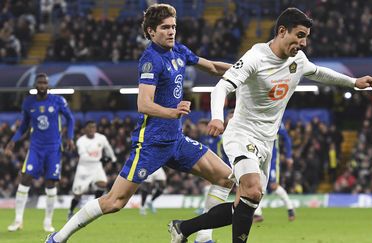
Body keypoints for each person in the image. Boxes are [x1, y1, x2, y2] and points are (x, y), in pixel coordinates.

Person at [169, 7, 372, 243]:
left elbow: (319, 72)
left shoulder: (298, 61)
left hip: (267, 141)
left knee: (247, 203)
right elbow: (222, 86)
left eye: (306, 37)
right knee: (251, 190)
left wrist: (354, 82)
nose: (303, 43)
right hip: (242, 134)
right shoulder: (255, 57)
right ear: (282, 31)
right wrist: (217, 117)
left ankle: (183, 228)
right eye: (299, 35)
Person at [45, 3, 234, 242]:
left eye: (174, 26)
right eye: (165, 28)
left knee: (225, 178)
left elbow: (215, 67)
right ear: (151, 32)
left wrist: (246, 71)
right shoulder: (150, 59)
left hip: (175, 141)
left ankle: (203, 238)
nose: (171, 32)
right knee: (114, 202)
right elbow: (144, 104)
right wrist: (172, 112)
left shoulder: (180, 52)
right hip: (151, 143)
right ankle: (57, 238)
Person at [4, 73, 75, 233]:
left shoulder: (58, 100)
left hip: (53, 148)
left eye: (45, 83)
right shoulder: (28, 102)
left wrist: (70, 137)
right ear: (36, 85)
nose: (42, 85)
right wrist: (13, 140)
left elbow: (70, 118)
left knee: (51, 183)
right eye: (40, 82)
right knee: (25, 179)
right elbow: (23, 125)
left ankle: (48, 222)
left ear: (48, 85)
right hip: (35, 148)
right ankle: (18, 220)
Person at [68, 120, 117, 220]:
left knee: (103, 184)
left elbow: (108, 148)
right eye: (89, 127)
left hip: (97, 167)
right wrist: (100, 159)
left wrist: (113, 159)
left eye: (93, 127)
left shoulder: (101, 138)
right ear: (85, 129)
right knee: (78, 194)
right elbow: (84, 156)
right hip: (84, 168)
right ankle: (70, 211)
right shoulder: (81, 141)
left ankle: (94, 209)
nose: (92, 129)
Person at [253, 123, 295, 223]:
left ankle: (290, 209)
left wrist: (288, 156)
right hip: (258, 156)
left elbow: (287, 139)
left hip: (272, 159)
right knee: (258, 184)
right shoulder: (256, 118)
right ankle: (257, 214)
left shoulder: (276, 119)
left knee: (273, 185)